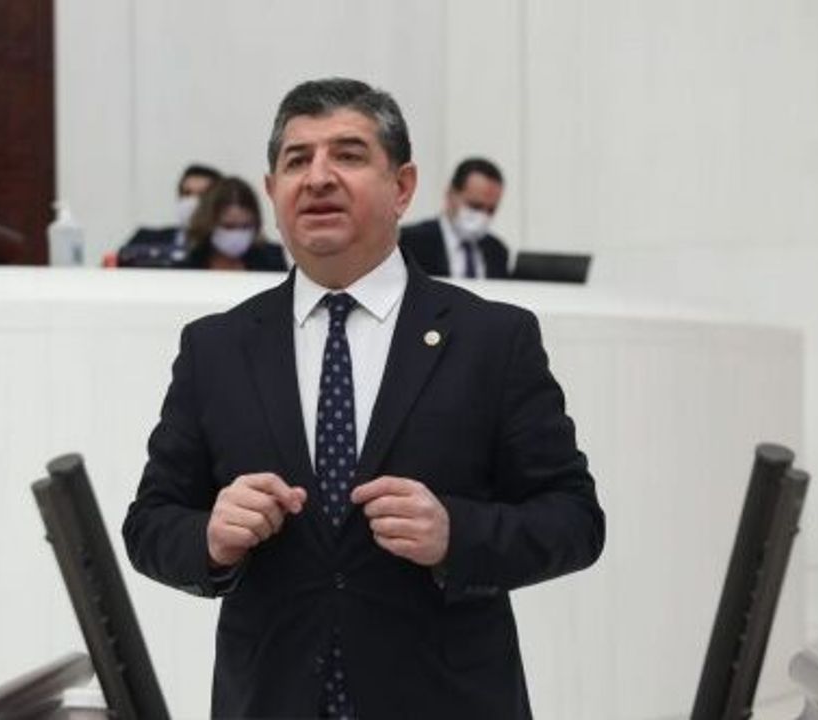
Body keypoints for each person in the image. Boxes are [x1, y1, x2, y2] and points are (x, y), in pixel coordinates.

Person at [122, 78, 603, 719]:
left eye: (347, 155)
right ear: (272, 191)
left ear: (402, 186)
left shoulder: (493, 339)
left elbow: (575, 520)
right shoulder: (217, 348)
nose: (318, 177)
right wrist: (208, 538)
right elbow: (149, 523)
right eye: (297, 160)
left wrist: (456, 534)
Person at [400, 157, 509, 279]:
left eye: (490, 210)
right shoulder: (411, 241)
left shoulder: (497, 252)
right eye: (475, 206)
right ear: (450, 194)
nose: (482, 216)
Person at [182, 176, 288, 272]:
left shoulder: (271, 259)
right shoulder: (188, 260)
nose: (237, 234)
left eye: (245, 226)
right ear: (208, 222)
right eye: (228, 226)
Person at [123, 163, 224, 250]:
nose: (193, 201)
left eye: (203, 195)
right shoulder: (145, 241)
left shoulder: (224, 250)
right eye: (187, 193)